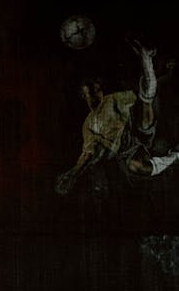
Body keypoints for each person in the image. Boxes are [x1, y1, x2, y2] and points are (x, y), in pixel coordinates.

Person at [55, 39, 179, 195]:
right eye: (91, 92)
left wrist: (155, 73)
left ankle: (146, 59)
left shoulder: (112, 100)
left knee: (146, 115)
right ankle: (175, 155)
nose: (96, 95)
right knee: (136, 167)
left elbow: (143, 94)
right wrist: (73, 173)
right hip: (127, 152)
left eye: (98, 90)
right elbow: (87, 154)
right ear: (83, 95)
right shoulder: (88, 125)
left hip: (138, 134)